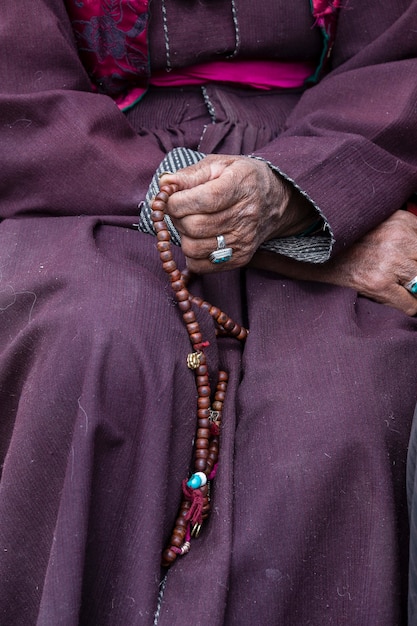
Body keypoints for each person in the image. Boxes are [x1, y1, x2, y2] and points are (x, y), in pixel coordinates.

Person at [1, 1, 417, 624]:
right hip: (82, 174)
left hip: (334, 154)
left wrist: (299, 193)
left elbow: (401, 60)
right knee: (92, 346)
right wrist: (303, 246)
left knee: (351, 396)